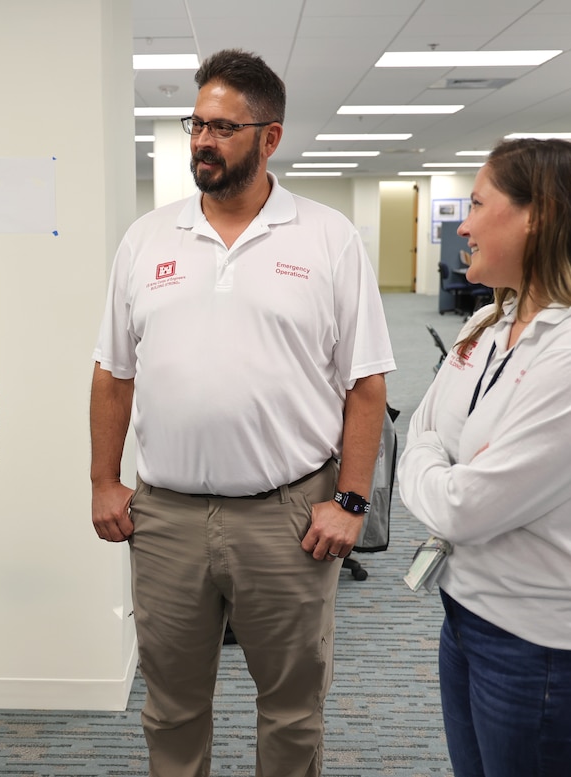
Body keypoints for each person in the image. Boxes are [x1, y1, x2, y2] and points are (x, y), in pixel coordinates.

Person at [90, 49, 395, 777]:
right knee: (171, 704)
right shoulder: (147, 238)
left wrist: (350, 500)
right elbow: (112, 373)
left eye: (224, 127)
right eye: (196, 123)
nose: (202, 140)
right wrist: (104, 481)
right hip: (165, 516)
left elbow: (367, 385)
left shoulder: (328, 239)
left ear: (270, 137)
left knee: (292, 708)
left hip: (288, 515)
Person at [397, 138, 571, 777]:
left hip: (552, 653)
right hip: (468, 616)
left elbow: (466, 509)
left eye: (477, 204)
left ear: (540, 214)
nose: (464, 225)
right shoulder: (488, 325)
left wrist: (429, 468)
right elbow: (419, 429)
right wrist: (435, 463)